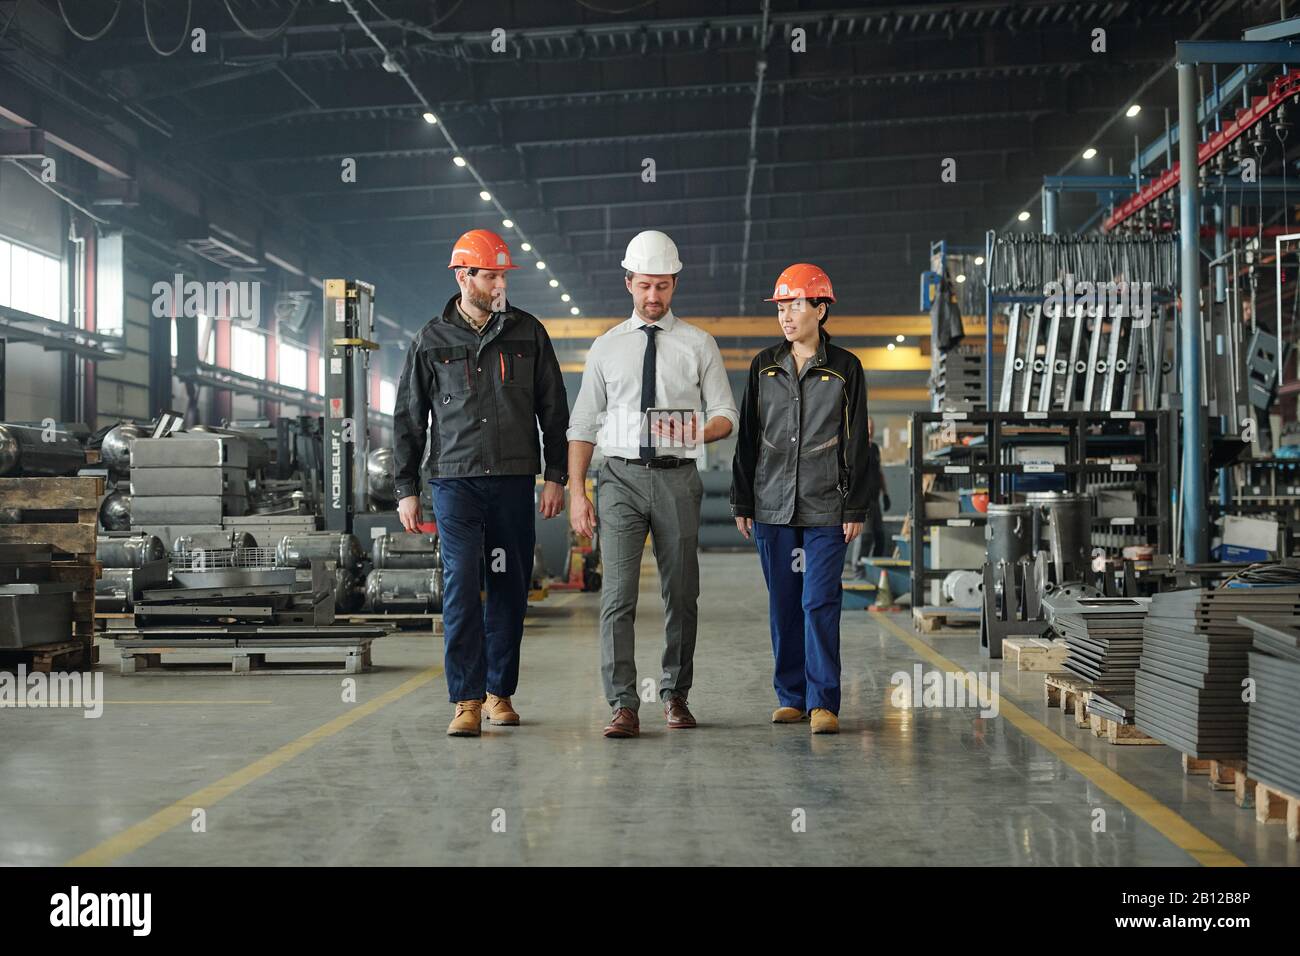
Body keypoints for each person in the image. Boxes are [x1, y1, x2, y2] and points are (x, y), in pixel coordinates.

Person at [392, 228, 569, 738]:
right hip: (455, 483)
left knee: (510, 587)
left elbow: (553, 411)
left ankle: (499, 694)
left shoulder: (528, 333)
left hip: (514, 481)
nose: (497, 284)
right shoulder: (432, 339)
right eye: (489, 275)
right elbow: (408, 418)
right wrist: (406, 487)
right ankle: (466, 700)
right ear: (462, 276)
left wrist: (554, 475)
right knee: (461, 587)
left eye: (501, 276)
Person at [567, 230, 739, 738]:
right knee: (617, 596)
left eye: (663, 286)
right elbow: (581, 425)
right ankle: (623, 704)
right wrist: (578, 492)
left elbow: (726, 413)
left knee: (681, 594)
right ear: (628, 283)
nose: (653, 297)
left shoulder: (698, 344)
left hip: (677, 479)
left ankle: (675, 694)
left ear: (674, 284)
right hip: (617, 478)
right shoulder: (605, 347)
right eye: (645, 286)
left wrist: (693, 429)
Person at [730, 264, 870, 735]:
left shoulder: (845, 367)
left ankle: (823, 701)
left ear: (821, 308)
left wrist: (856, 507)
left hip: (827, 505)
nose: (786, 316)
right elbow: (748, 435)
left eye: (795, 305)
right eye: (781, 307)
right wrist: (742, 500)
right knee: (784, 604)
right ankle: (791, 696)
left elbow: (856, 442)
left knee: (819, 600)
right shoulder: (763, 366)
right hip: (772, 506)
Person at [864, 416, 891, 558]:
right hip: (863, 500)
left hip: (875, 500)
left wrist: (885, 494)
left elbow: (879, 472)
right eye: (868, 428)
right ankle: (858, 571)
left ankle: (873, 569)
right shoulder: (857, 447)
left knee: (880, 537)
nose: (870, 431)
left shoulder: (874, 448)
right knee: (865, 537)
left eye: (872, 428)